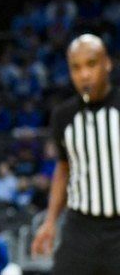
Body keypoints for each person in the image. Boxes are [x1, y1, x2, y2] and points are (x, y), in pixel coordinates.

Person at [32, 33, 120, 274]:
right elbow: (63, 169)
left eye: (91, 64)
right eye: (76, 68)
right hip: (81, 226)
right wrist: (50, 222)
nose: (84, 74)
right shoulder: (63, 116)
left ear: (108, 63)